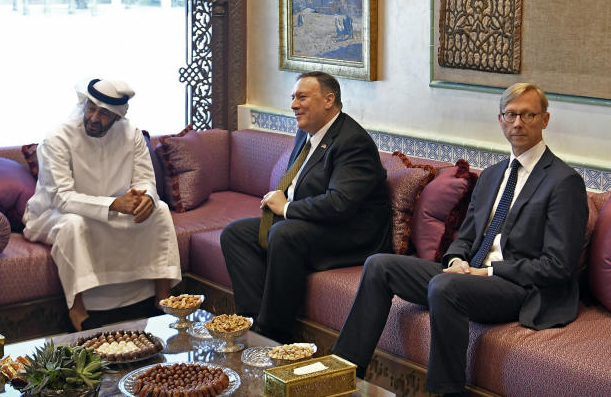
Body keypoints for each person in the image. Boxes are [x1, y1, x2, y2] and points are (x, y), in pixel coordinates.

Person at [331, 83, 588, 395]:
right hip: (471, 276)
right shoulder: (493, 175)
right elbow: (464, 236)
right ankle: (341, 375)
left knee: (445, 285)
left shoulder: (564, 182)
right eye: (511, 115)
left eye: (528, 115)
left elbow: (558, 265)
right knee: (379, 266)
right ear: (501, 119)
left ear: (545, 120)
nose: (518, 123)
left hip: (521, 288)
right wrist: (456, 260)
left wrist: (489, 272)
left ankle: (447, 391)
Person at [220, 71, 390, 343]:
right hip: (314, 223)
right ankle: (253, 324)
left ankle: (275, 334)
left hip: (351, 234)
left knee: (284, 234)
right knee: (235, 234)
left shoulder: (352, 142)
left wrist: (286, 209)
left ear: (329, 100)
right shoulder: (306, 132)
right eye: (293, 98)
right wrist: (281, 200)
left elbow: (339, 204)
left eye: (302, 97)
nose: (293, 105)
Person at [23, 78, 181, 331]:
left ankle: (163, 297)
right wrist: (114, 204)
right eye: (91, 108)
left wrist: (147, 198)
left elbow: (144, 180)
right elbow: (62, 197)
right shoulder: (58, 137)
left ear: (117, 118)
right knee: (74, 225)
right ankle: (78, 310)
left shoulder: (131, 133)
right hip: (52, 214)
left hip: (112, 209)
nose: (94, 117)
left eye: (104, 114)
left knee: (159, 209)